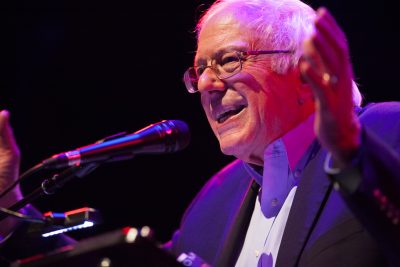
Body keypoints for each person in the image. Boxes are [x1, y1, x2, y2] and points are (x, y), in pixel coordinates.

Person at [1, 0, 399, 266]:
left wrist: (350, 150)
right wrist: (11, 217)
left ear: (303, 70)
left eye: (229, 60)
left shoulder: (387, 131)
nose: (207, 84)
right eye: (200, 69)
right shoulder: (213, 201)